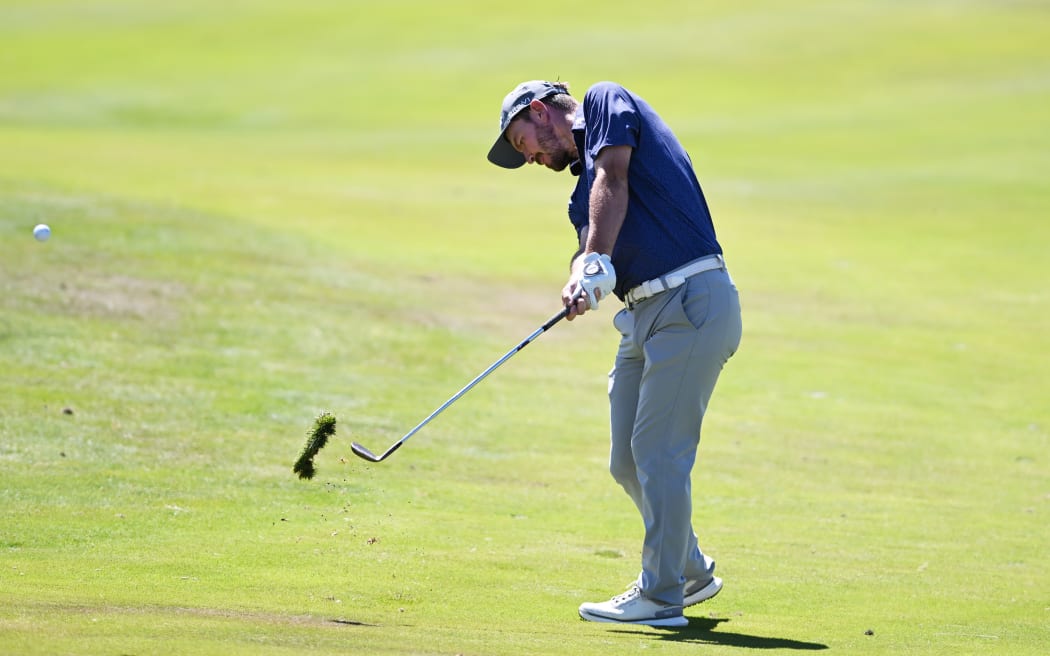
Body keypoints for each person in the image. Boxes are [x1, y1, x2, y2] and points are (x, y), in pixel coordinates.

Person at [487, 80, 743, 627]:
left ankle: (661, 595)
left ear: (540, 111)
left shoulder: (604, 102)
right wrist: (580, 277)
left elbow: (614, 176)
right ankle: (690, 569)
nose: (529, 158)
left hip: (691, 299)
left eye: (523, 142)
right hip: (643, 318)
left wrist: (595, 258)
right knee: (626, 458)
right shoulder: (579, 195)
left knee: (658, 452)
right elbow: (591, 244)